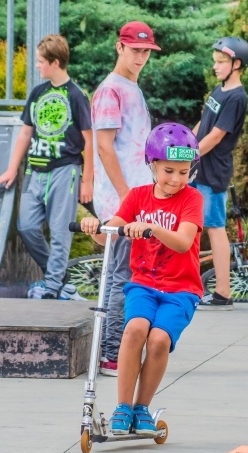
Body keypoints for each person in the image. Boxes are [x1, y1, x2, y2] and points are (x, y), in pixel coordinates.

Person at [79, 123, 203, 435]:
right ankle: (123, 406)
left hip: (181, 289)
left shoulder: (192, 200)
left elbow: (184, 242)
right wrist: (96, 227)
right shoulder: (137, 197)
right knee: (135, 329)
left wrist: (151, 227)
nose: (176, 179)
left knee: (159, 339)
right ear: (153, 166)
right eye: (169, 171)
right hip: (144, 285)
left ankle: (141, 407)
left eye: (183, 172)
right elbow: (111, 234)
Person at [0, 34, 92, 301]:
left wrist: (87, 180)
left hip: (65, 170)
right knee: (27, 226)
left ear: (55, 62)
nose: (37, 66)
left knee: (60, 232)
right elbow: (25, 133)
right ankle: (58, 277)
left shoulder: (76, 95)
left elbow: (89, 140)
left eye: (40, 61)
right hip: (35, 171)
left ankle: (52, 287)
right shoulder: (38, 93)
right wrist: (12, 169)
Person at [91, 21, 159, 376]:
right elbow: (103, 146)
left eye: (146, 52)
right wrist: (124, 199)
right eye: (135, 50)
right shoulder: (110, 91)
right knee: (121, 276)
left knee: (131, 274)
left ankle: (120, 348)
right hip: (121, 203)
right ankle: (111, 353)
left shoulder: (132, 87)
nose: (141, 57)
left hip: (138, 199)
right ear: (119, 47)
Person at [191, 36, 248, 310]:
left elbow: (215, 136)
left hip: (213, 172)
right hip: (200, 167)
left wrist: (187, 157)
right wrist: (186, 140)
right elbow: (204, 122)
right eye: (215, 62)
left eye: (221, 62)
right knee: (197, 228)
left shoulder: (237, 97)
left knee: (215, 228)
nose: (215, 67)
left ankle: (223, 292)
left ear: (237, 64)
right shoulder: (220, 90)